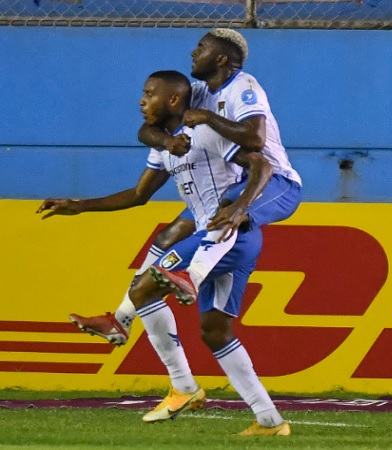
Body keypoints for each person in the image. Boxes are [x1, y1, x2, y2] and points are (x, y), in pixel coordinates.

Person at [38, 71, 291, 436]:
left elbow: (262, 164)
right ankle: (270, 421)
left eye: (149, 94)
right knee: (215, 332)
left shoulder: (208, 133)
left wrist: (241, 207)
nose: (142, 101)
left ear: (173, 101)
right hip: (220, 240)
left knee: (145, 286)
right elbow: (138, 194)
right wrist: (80, 205)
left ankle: (183, 387)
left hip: (227, 235)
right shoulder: (166, 146)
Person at [70, 28, 302, 342]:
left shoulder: (244, 86)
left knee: (227, 210)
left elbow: (255, 140)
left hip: (273, 181)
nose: (193, 52)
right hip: (231, 184)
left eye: (201, 47)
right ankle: (121, 320)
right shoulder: (197, 90)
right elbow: (149, 125)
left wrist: (208, 118)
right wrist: (167, 141)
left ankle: (191, 277)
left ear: (221, 58)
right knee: (171, 234)